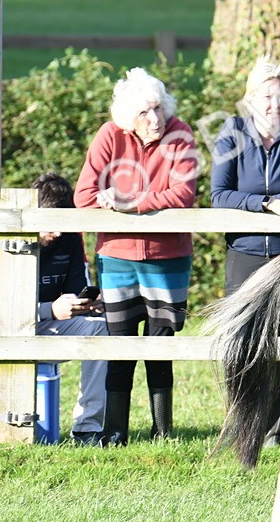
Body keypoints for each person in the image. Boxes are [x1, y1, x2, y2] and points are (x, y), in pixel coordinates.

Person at [75, 68, 197, 445]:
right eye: (145, 113)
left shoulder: (181, 133)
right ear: (129, 117)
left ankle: (163, 432)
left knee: (161, 344)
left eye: (158, 109)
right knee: (120, 344)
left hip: (168, 256)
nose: (155, 119)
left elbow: (183, 194)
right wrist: (108, 201)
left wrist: (132, 203)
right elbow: (83, 195)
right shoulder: (110, 135)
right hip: (117, 256)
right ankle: (115, 432)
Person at [0, 173, 112, 443]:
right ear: (34, 214)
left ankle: (87, 428)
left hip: (48, 324)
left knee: (102, 330)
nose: (59, 233)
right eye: (52, 224)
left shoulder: (71, 238)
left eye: (64, 223)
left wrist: (86, 305)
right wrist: (49, 310)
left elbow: (75, 288)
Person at [211, 56, 280, 443]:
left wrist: (271, 200)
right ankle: (243, 419)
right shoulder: (232, 131)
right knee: (242, 340)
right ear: (251, 97)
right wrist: (267, 204)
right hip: (247, 251)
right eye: (267, 95)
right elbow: (220, 194)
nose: (275, 104)